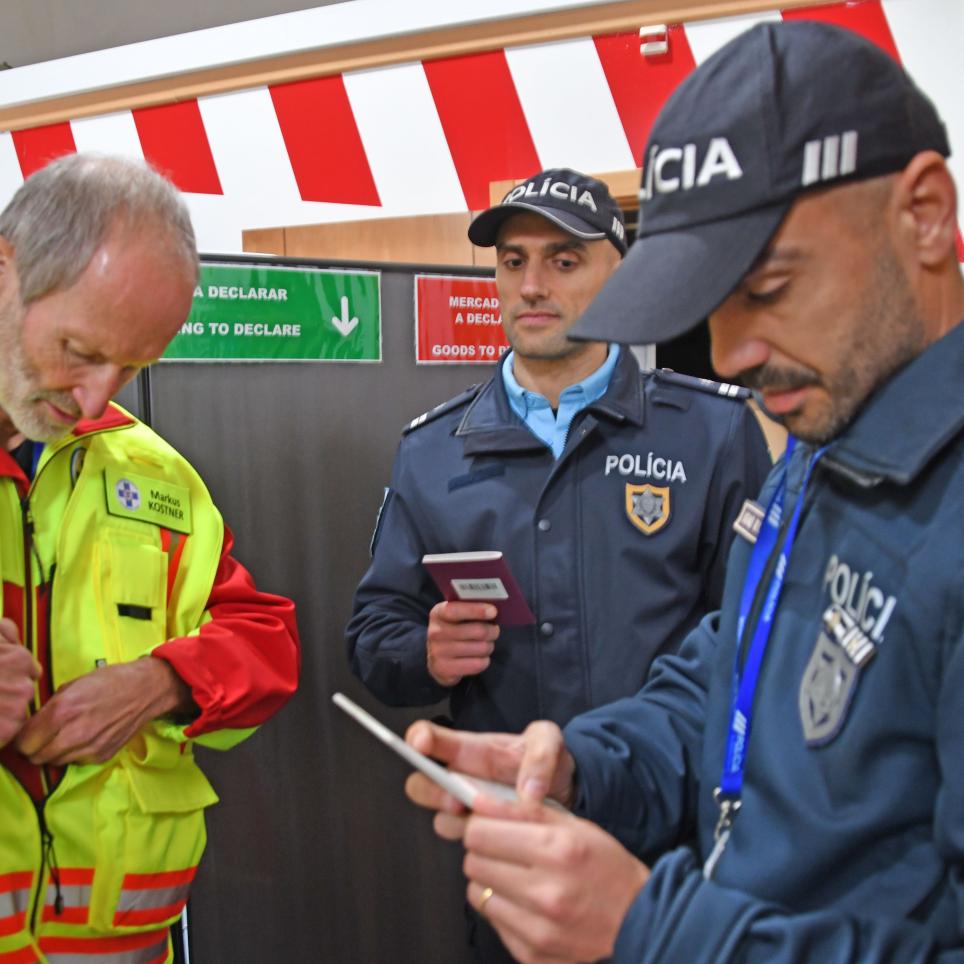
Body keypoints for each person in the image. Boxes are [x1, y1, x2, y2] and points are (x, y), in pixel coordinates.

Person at [403, 20, 964, 964]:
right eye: (713, 305)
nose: (736, 355)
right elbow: (734, 669)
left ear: (924, 213)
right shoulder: (831, 424)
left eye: (772, 286)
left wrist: (658, 932)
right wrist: (585, 759)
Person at [0, 153, 300, 963]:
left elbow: (264, 642)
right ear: (5, 273)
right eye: (79, 348)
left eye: (132, 366)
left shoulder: (154, 472)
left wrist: (164, 682)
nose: (97, 398)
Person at [347, 167, 771, 738]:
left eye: (563, 262)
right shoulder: (431, 453)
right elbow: (374, 632)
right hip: (507, 804)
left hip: (664, 805)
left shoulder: (711, 433)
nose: (531, 287)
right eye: (513, 261)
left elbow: (758, 629)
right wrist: (423, 652)